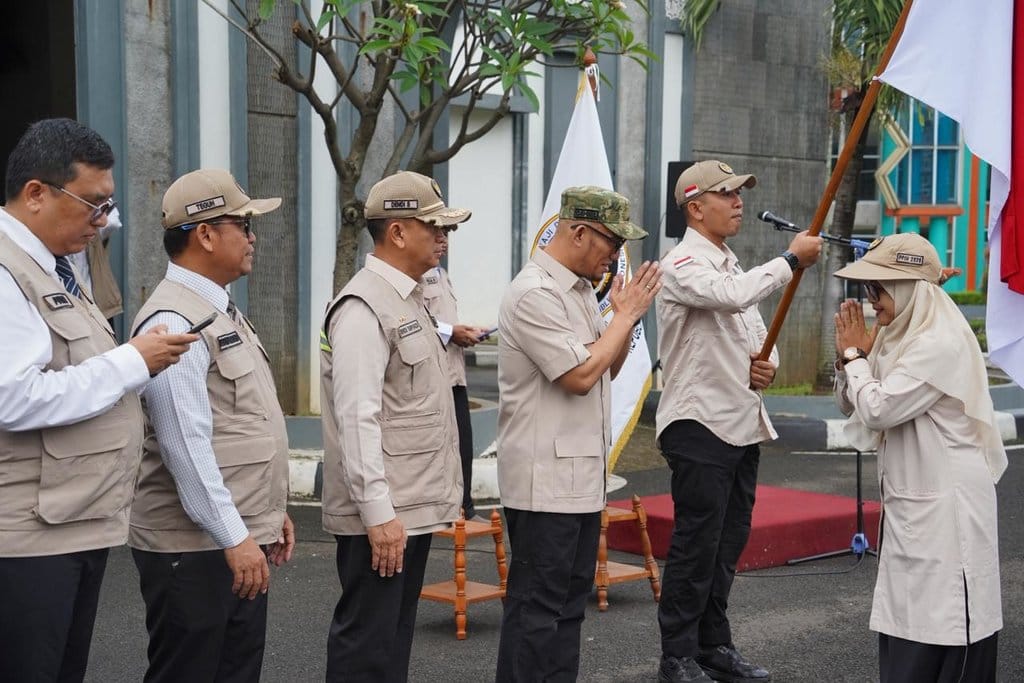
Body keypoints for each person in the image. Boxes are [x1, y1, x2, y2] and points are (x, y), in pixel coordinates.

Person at [0, 118, 195, 683]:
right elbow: (14, 395)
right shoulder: (9, 271)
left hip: (70, 520)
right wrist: (133, 361)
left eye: (107, 206)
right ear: (36, 193)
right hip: (28, 538)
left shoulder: (54, 266)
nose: (102, 221)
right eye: (92, 204)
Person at [655, 160, 822, 683]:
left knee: (726, 545)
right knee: (695, 543)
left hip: (738, 420)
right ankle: (676, 655)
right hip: (699, 424)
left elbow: (741, 335)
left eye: (739, 192)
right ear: (695, 206)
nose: (738, 201)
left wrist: (760, 365)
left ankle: (713, 646)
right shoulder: (681, 262)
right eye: (726, 194)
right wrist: (790, 259)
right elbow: (733, 298)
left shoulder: (728, 263)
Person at [129, 168, 295, 682]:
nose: (252, 238)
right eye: (243, 224)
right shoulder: (175, 321)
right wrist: (235, 536)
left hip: (230, 535)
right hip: (196, 547)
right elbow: (186, 445)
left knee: (234, 671)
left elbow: (239, 423)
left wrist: (268, 513)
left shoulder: (216, 309)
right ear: (204, 233)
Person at [495, 185, 661, 682]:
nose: (616, 255)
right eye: (611, 242)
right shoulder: (534, 294)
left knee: (568, 610)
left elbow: (603, 368)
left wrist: (624, 323)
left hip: (579, 481)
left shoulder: (582, 291)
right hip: (544, 486)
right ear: (579, 232)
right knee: (535, 613)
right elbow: (580, 375)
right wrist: (626, 314)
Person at [832, 232, 1005, 683]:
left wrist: (855, 356)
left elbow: (878, 406)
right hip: (914, 508)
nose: (872, 303)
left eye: (879, 290)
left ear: (909, 291)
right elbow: (851, 403)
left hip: (949, 515)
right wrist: (850, 361)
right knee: (908, 624)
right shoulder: (899, 338)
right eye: (868, 290)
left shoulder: (938, 344)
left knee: (946, 628)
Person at [320, 170, 468, 682]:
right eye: (434, 226)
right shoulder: (363, 307)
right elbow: (357, 418)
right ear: (398, 232)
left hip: (406, 505)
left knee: (391, 642)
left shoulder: (408, 297)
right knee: (368, 643)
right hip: (382, 513)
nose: (443, 237)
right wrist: (379, 514)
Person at [422, 231, 490, 523]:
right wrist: (452, 332)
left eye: (446, 235)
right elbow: (415, 319)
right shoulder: (413, 278)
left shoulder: (441, 273)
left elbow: (438, 319)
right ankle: (447, 509)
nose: (443, 241)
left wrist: (462, 331)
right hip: (432, 377)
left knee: (463, 442)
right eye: (436, 234)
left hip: (454, 373)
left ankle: (465, 508)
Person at [68, 205, 123, 321]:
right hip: (70, 310)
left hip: (96, 305)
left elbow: (113, 222)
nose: (103, 221)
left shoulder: (96, 232)